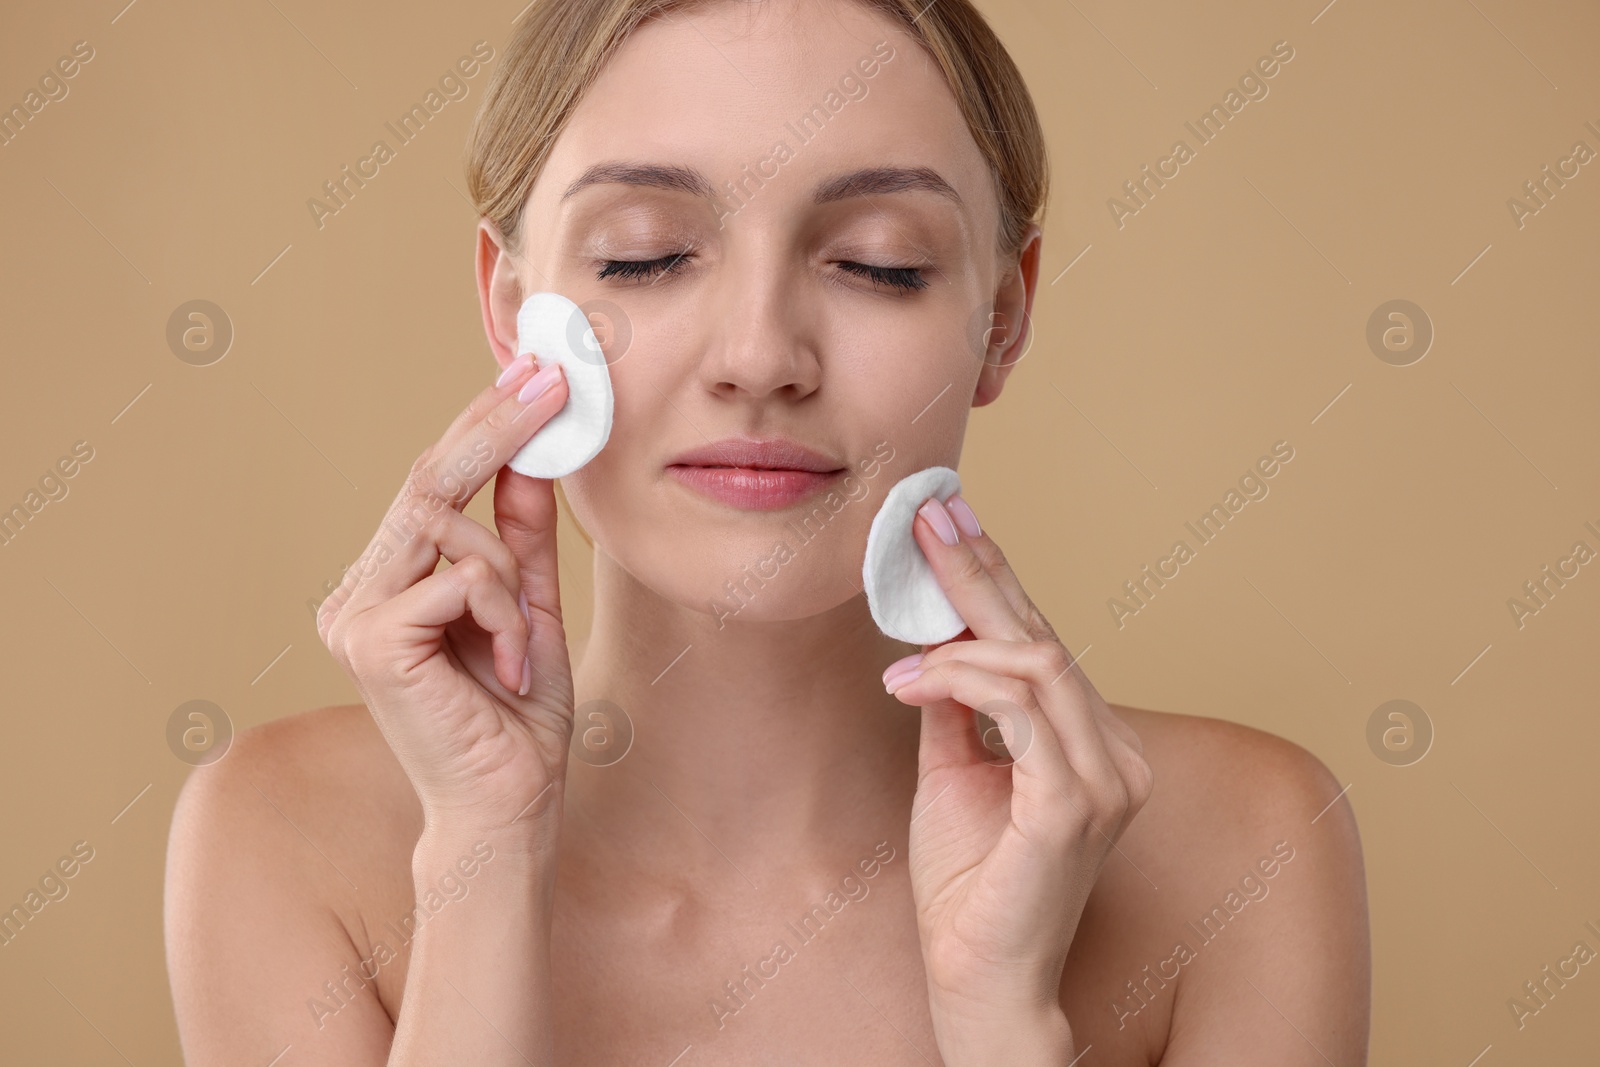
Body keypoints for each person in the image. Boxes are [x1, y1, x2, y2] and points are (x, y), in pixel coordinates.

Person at [165, 0, 1370, 1063]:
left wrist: (1004, 1019)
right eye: (646, 255)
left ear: (1000, 318)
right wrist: (483, 856)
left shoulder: (1241, 854)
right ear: (511, 307)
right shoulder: (284, 837)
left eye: (877, 265)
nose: (758, 356)